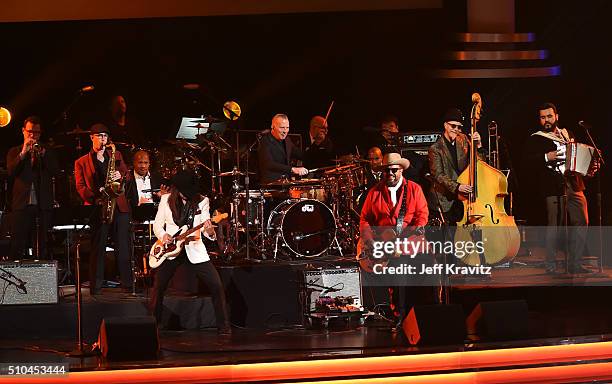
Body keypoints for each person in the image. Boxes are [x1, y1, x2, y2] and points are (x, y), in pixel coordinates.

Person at [150, 170, 231, 334]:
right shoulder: (166, 200)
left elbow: (207, 231)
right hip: (171, 248)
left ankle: (224, 326)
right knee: (159, 286)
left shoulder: (202, 201)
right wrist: (164, 235)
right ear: (177, 189)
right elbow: (157, 225)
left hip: (194, 248)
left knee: (216, 285)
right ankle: (153, 324)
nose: (188, 196)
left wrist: (210, 231)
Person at [359, 152, 429, 322]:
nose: (390, 174)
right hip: (382, 244)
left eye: (394, 170)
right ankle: (395, 312)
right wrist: (370, 240)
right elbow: (365, 219)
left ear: (401, 171)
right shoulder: (374, 192)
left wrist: (416, 228)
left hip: (408, 242)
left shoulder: (414, 189)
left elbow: (422, 214)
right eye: (387, 171)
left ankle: (412, 314)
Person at [526, 102, 592, 274]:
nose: (546, 120)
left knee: (582, 222)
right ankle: (551, 264)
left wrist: (588, 167)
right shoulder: (537, 138)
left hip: (574, 183)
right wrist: (547, 157)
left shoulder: (567, 133)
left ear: (556, 116)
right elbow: (528, 162)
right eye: (542, 117)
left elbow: (577, 155)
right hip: (552, 186)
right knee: (554, 226)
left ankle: (575, 263)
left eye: (549, 116)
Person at [74, 123, 132, 294]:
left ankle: (128, 284)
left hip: (119, 207)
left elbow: (128, 175)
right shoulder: (81, 162)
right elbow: (80, 186)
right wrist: (95, 196)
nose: (103, 139)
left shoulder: (116, 154)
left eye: (105, 136)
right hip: (98, 206)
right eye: (99, 136)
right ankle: (96, 285)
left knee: (123, 246)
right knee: (98, 248)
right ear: (91, 138)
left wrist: (121, 175)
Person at [6, 116, 60, 259]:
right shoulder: (14, 151)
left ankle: (40, 278)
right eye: (30, 131)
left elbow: (56, 171)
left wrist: (44, 154)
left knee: (42, 245)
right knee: (17, 243)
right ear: (23, 131)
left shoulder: (47, 151)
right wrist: (23, 153)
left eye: (36, 133)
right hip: (21, 204)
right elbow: (11, 172)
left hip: (42, 205)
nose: (32, 135)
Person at [427, 108, 484, 224]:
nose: (456, 130)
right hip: (444, 199)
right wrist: (457, 187)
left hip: (463, 198)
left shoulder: (463, 140)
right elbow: (438, 175)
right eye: (453, 126)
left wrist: (478, 146)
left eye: (459, 127)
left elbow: (479, 164)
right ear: (445, 126)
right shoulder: (435, 148)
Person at [257, 113, 307, 184]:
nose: (285, 131)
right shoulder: (265, 141)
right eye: (282, 128)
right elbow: (269, 164)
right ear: (272, 126)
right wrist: (292, 169)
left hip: (285, 184)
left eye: (287, 127)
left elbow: (301, 154)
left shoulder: (287, 140)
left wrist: (317, 144)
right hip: (271, 186)